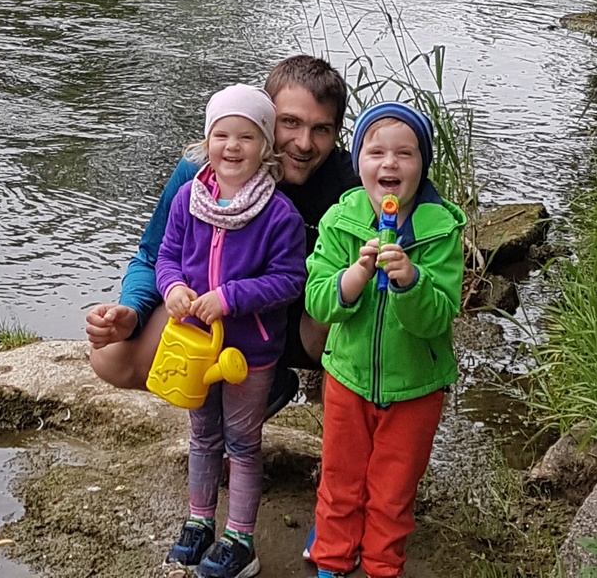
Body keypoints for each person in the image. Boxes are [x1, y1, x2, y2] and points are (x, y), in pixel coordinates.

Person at [85, 55, 358, 405]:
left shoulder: (351, 187)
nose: (304, 143)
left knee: (337, 305)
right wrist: (132, 313)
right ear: (265, 117)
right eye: (289, 123)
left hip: (298, 324)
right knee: (112, 358)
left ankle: (326, 408)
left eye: (321, 129)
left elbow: (415, 190)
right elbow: (153, 256)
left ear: (336, 133)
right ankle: (261, 388)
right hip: (222, 316)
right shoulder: (201, 173)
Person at [305, 102, 466, 578]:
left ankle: (381, 566)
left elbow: (437, 316)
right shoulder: (341, 221)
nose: (390, 163)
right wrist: (355, 275)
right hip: (347, 379)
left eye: (405, 154)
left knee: (393, 492)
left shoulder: (441, 232)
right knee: (339, 482)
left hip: (416, 386)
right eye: (375, 152)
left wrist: (410, 282)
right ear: (358, 163)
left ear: (423, 165)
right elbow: (318, 300)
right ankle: (331, 561)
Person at [156, 84, 306, 578]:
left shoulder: (279, 213)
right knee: (201, 436)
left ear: (266, 146)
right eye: (222, 135)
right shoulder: (187, 198)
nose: (232, 146)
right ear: (206, 142)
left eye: (246, 136)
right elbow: (167, 257)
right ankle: (199, 522)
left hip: (250, 349)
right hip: (196, 344)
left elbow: (289, 279)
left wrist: (230, 297)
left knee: (242, 442)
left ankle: (240, 539)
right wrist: (173, 287)